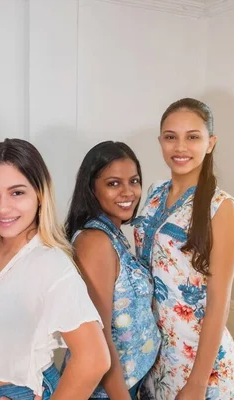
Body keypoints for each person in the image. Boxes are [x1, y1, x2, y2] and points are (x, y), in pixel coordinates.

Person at [0, 138, 110, 400]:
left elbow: (94, 359)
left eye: (17, 192)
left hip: (21, 392)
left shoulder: (51, 263)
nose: (2, 207)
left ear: (40, 195)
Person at [134, 98, 234, 400]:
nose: (180, 147)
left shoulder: (221, 208)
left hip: (201, 365)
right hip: (154, 356)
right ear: (160, 142)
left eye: (192, 137)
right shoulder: (154, 192)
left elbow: (219, 302)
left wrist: (197, 383)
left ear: (210, 143)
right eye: (171, 137)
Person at [64, 141, 162, 400]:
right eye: (113, 183)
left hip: (130, 384)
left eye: (134, 181)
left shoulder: (113, 235)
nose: (128, 192)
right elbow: (101, 339)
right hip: (108, 392)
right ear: (91, 189)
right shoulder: (95, 241)